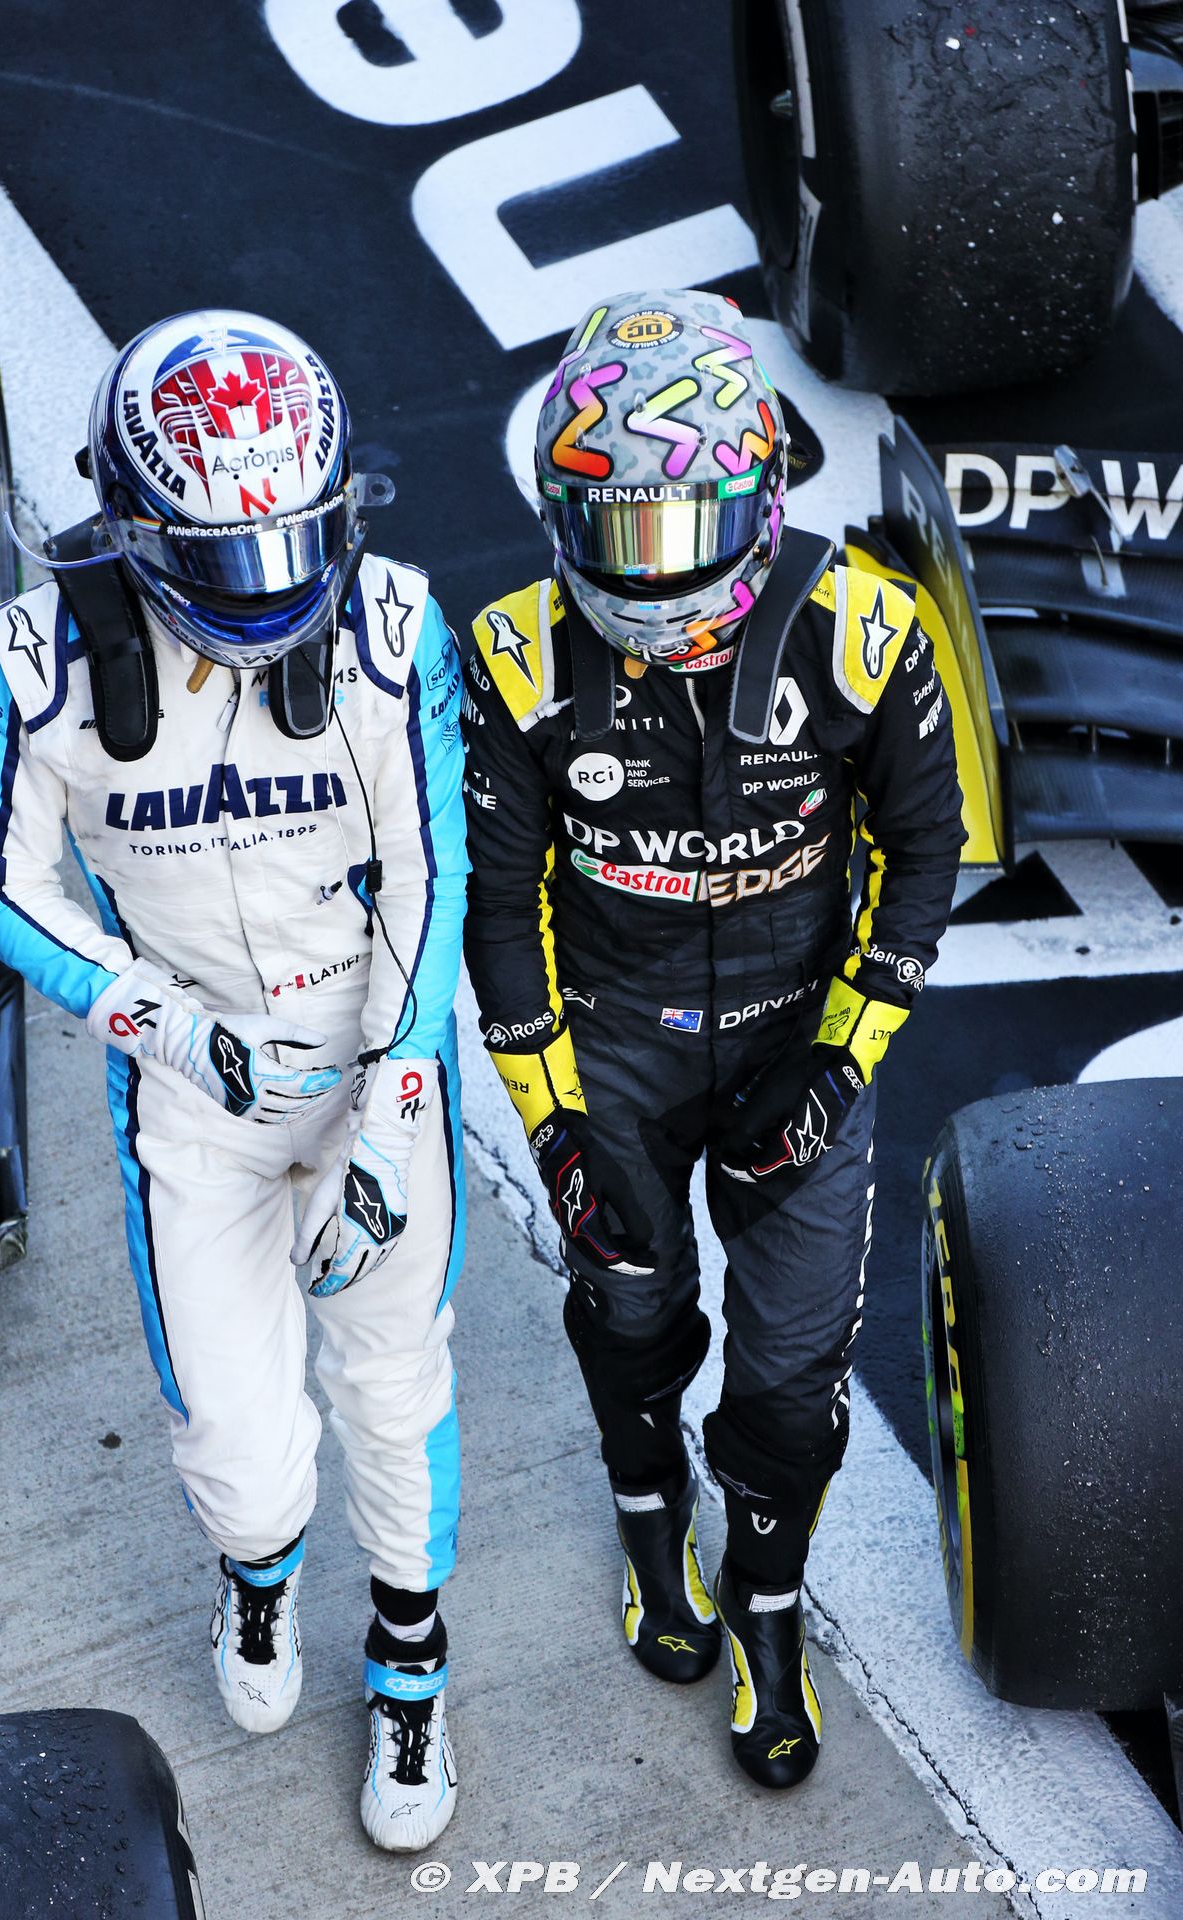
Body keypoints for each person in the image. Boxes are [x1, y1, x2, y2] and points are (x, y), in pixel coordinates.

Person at [0, 310, 466, 1851]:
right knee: (241, 1461)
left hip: (375, 1066)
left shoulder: (394, 630)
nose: (268, 588)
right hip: (194, 1089)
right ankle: (258, 1577)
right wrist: (160, 1022)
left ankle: (413, 1667)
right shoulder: (31, 667)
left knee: (397, 1386)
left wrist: (393, 1106)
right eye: (224, 557)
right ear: (130, 522)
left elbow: (435, 880)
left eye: (293, 542)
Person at [461, 288, 964, 1789]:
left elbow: (925, 858)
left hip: (795, 1043)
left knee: (794, 1377)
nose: (653, 570)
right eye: (615, 532)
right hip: (611, 1051)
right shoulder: (513, 655)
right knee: (626, 1314)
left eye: (682, 527)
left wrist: (841, 1060)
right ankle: (647, 1527)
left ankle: (767, 1609)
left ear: (758, 497)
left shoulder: (868, 629)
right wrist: (554, 1125)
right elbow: (499, 914)